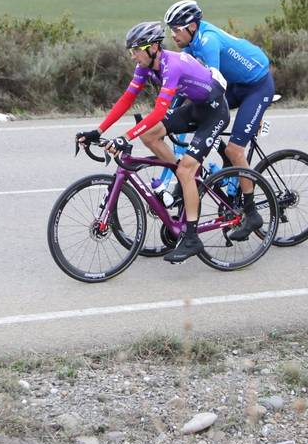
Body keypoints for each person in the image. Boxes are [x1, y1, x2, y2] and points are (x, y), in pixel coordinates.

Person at [76, 21, 231, 264]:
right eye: (131, 51)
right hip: (195, 108)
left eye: (136, 50)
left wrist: (126, 137)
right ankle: (183, 176)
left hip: (214, 113)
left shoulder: (173, 66)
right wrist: (98, 130)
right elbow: (127, 100)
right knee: (151, 137)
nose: (133, 56)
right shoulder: (145, 67)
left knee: (186, 170)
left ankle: (191, 237)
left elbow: (158, 113)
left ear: (153, 48)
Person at [163, 0, 274, 241]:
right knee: (201, 118)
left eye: (176, 29)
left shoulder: (208, 41)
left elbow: (211, 86)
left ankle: (251, 211)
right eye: (170, 29)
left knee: (235, 150)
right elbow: (186, 85)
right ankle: (226, 167)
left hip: (257, 87)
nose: (172, 35)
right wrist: (169, 115)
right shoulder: (191, 44)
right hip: (236, 84)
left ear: (192, 27)